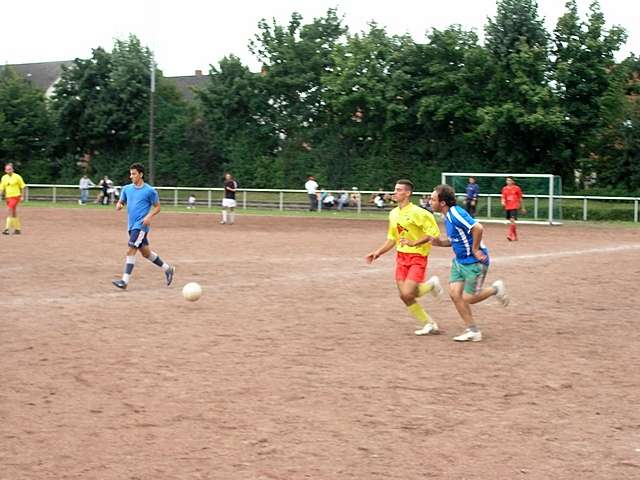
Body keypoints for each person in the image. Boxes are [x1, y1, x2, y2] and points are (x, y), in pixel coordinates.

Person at [427, 184, 509, 342]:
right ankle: (473, 330)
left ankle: (495, 289)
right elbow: (455, 241)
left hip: (474, 262)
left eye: (433, 199)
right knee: (454, 294)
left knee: (468, 298)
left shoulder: (456, 213)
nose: (430, 201)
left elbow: (477, 228)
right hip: (459, 261)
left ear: (442, 203)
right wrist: (438, 243)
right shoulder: (447, 217)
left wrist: (476, 249)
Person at [365, 179, 444, 336]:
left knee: (408, 293)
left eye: (399, 190)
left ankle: (431, 286)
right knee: (405, 296)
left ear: (408, 193)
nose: (395, 192)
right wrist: (378, 252)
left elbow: (433, 234)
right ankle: (429, 323)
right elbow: (392, 239)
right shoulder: (393, 213)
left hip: (417, 256)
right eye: (395, 189)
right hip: (401, 258)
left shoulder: (420, 213)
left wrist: (414, 242)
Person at [112, 163, 175, 290]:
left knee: (130, 249)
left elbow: (158, 207)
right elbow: (121, 201)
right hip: (131, 226)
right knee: (146, 253)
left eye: (134, 174)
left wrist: (149, 216)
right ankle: (168, 269)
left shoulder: (150, 191)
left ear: (141, 174)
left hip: (141, 226)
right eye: (130, 174)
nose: (131, 176)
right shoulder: (126, 189)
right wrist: (119, 205)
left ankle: (124, 281)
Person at [0, 163, 26, 235]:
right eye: (7, 169)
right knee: (13, 213)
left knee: (10, 210)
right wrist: (1, 194)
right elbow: (2, 187)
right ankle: (17, 229)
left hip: (15, 197)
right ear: (5, 170)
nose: (9, 170)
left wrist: (22, 196)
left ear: (13, 169)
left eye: (10, 169)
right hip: (8, 197)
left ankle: (7, 229)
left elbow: (23, 186)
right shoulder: (4, 178)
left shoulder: (17, 177)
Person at [501, 176, 525, 241]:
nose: (508, 181)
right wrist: (502, 202)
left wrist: (522, 207)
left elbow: (520, 198)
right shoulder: (504, 188)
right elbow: (503, 197)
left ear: (512, 181)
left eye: (509, 180)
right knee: (512, 222)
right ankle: (516, 236)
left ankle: (510, 235)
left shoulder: (517, 188)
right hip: (507, 207)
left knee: (512, 220)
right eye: (507, 180)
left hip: (514, 206)